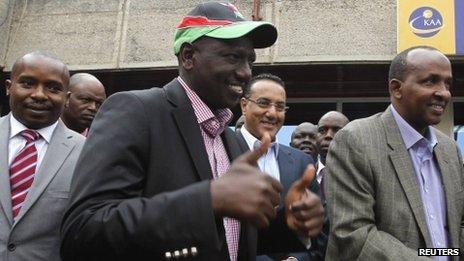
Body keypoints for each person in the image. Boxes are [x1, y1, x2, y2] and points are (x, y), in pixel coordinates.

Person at [61, 2, 319, 260]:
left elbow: (230, 239)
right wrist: (208, 200)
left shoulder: (232, 140)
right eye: (233, 57)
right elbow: (84, 232)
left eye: (250, 60)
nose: (245, 73)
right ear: (188, 56)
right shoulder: (136, 111)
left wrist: (291, 222)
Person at [325, 46, 464, 260]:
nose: (444, 93)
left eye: (448, 84)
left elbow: (457, 229)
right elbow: (354, 235)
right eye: (430, 81)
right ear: (396, 88)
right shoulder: (355, 140)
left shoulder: (450, 149)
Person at [0, 51, 85, 260]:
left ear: (66, 99)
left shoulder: (87, 152)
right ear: (9, 87)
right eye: (27, 84)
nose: (39, 94)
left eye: (53, 88)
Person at [237, 73, 325, 261]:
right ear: (244, 105)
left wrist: (297, 259)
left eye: (280, 106)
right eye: (263, 103)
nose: (272, 113)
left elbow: (320, 231)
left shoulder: (302, 161)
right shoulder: (222, 150)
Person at [314, 111, 349, 186]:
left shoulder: (360, 176)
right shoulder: (301, 174)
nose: (328, 135)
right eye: (322, 130)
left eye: (337, 130)